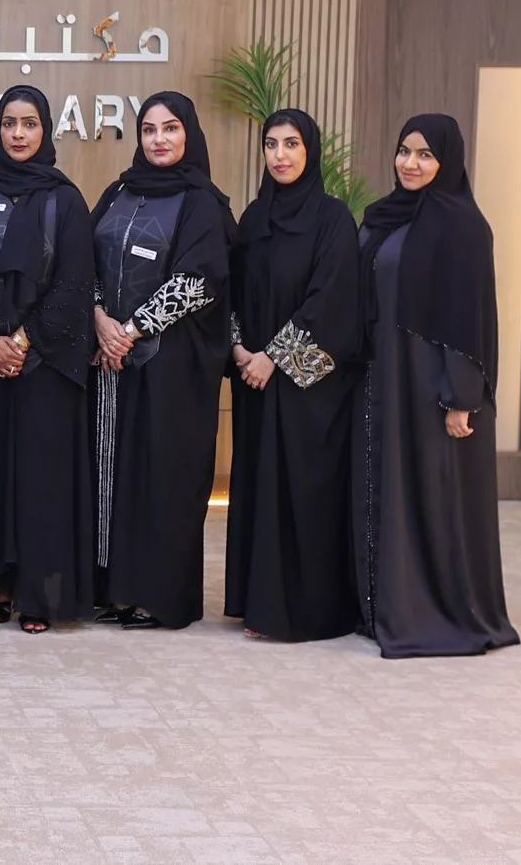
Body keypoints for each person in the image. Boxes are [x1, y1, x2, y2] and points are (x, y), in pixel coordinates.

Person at [351, 114, 519, 659]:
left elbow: (469, 319)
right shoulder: (383, 216)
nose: (411, 163)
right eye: (404, 151)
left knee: (429, 492)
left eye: (426, 155)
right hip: (381, 379)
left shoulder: (464, 227)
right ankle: (379, 605)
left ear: (447, 161)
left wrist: (461, 397)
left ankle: (432, 610)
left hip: (431, 385)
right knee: (384, 487)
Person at [90, 91, 234, 631]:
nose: (158, 140)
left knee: (163, 476)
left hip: (173, 367)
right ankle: (114, 589)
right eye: (149, 130)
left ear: (188, 133)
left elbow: (199, 280)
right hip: (110, 361)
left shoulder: (203, 202)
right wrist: (99, 319)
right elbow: (83, 259)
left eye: (170, 128)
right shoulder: (118, 191)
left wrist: (130, 330)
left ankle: (158, 596)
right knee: (112, 472)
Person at [0, 85, 96, 634]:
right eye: (10, 123)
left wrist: (21, 341)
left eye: (30, 123)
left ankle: (40, 592)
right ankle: (3, 584)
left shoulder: (67, 201)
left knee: (41, 480)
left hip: (46, 366)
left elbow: (75, 284)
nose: (18, 134)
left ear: (45, 130)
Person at [225, 109, 359, 643]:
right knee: (259, 488)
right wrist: (239, 348)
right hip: (254, 382)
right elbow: (231, 289)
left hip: (308, 390)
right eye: (271, 144)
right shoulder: (255, 217)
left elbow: (333, 302)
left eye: (292, 144)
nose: (279, 155)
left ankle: (306, 612)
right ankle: (257, 604)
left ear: (311, 150)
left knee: (302, 492)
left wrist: (274, 359)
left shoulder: (333, 219)